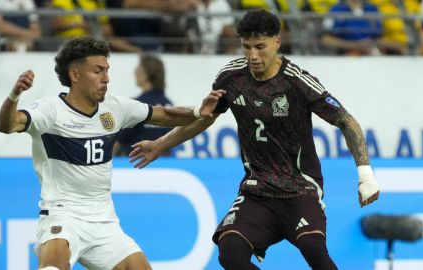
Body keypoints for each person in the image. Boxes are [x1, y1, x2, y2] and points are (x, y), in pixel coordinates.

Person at [129, 10, 380, 270]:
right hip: (256, 189)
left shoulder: (297, 82)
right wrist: (159, 145)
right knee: (230, 253)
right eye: (246, 47)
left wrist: (365, 176)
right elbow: (205, 118)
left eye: (260, 47)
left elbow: (346, 121)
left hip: (300, 187)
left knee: (314, 251)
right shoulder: (231, 77)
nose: (253, 56)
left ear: (276, 42)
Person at [0, 36, 223, 270]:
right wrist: (14, 95)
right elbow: (8, 124)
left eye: (107, 70)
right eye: (97, 71)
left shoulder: (116, 108)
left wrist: (198, 110)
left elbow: (166, 115)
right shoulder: (50, 112)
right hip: (62, 215)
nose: (106, 78)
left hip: (104, 221)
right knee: (53, 266)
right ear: (75, 75)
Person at [114, 53, 175, 156]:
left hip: (136, 164)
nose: (135, 72)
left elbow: (117, 142)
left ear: (145, 74)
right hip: (165, 165)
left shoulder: (136, 105)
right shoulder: (169, 105)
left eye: (138, 68)